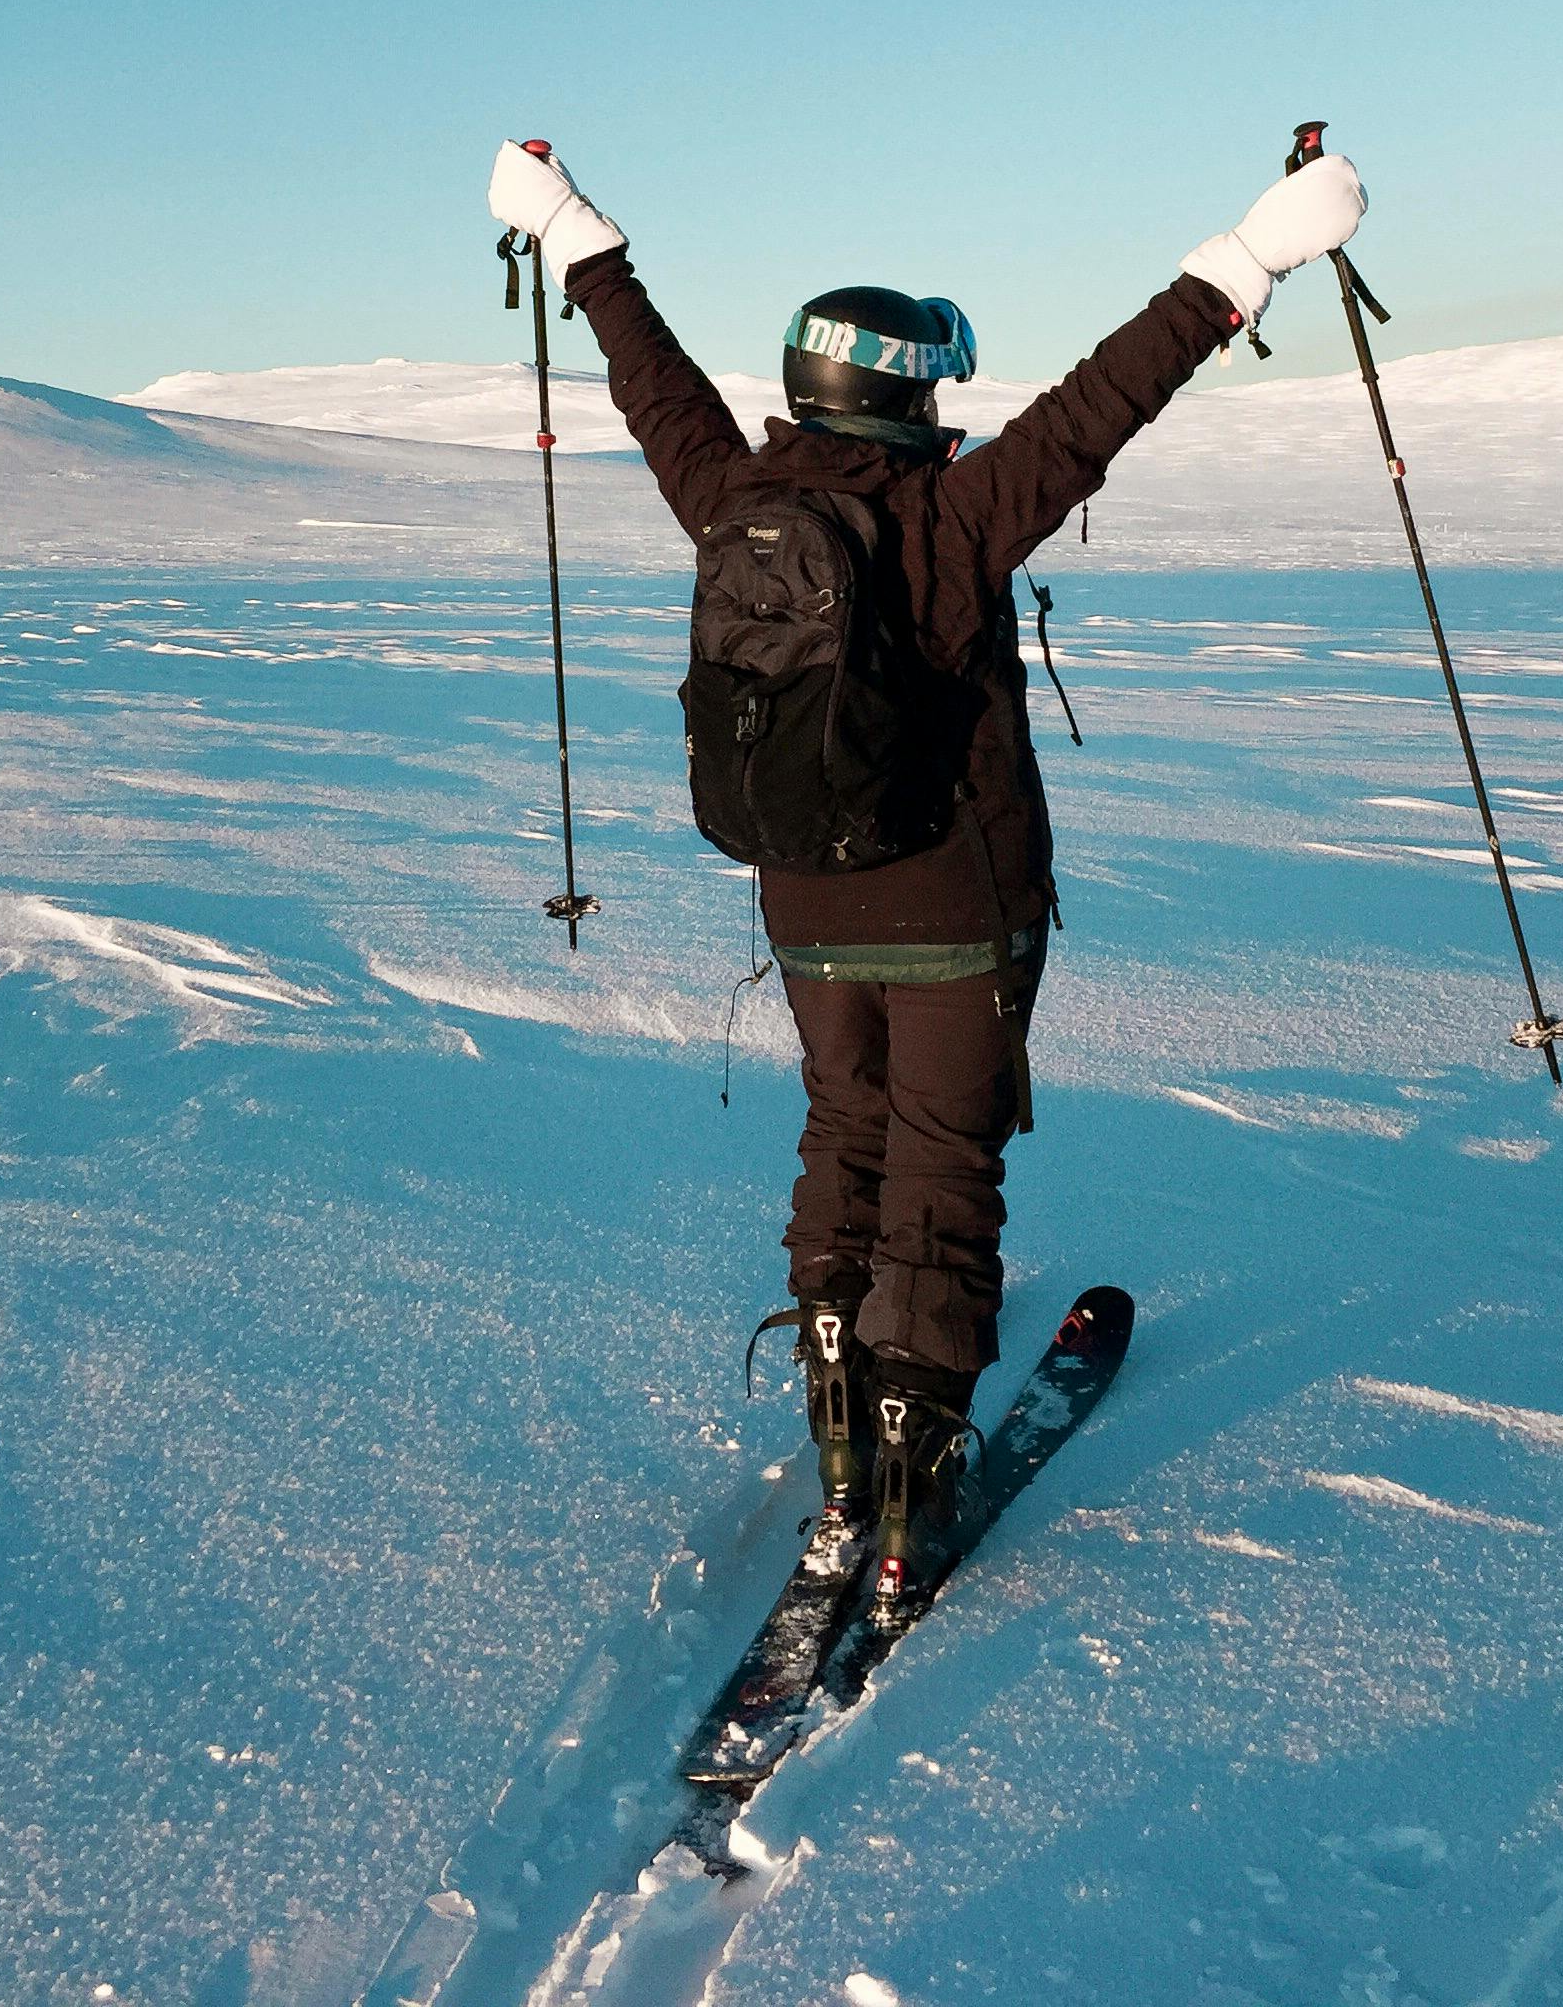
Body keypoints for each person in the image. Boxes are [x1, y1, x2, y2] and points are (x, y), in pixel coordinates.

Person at [486, 135, 1366, 1580]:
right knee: (945, 1177)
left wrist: (577, 232)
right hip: (958, 903)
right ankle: (913, 1480)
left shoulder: (731, 500)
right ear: (906, 397)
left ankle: (842, 1434)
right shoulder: (956, 521)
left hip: (808, 905)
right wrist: (1253, 254)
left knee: (847, 1141)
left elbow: (653, 383)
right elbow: (1107, 400)